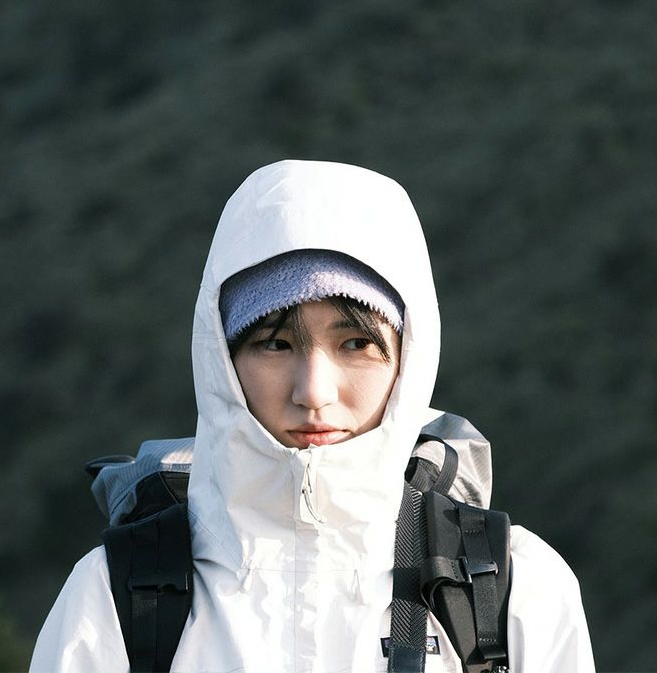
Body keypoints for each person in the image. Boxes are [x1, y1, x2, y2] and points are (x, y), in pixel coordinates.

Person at [30, 160, 595, 672]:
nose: (313, 392)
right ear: (221, 361)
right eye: (274, 344)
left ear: (409, 359)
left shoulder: (514, 591)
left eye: (355, 344)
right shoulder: (112, 597)